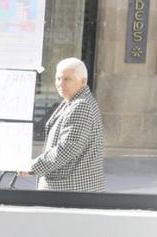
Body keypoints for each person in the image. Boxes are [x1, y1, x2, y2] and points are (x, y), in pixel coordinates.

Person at [22, 58, 106, 192]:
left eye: (67, 79)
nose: (61, 83)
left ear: (83, 81)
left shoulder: (81, 105)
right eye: (58, 78)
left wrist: (33, 167)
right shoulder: (72, 101)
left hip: (71, 190)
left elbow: (67, 148)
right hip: (69, 189)